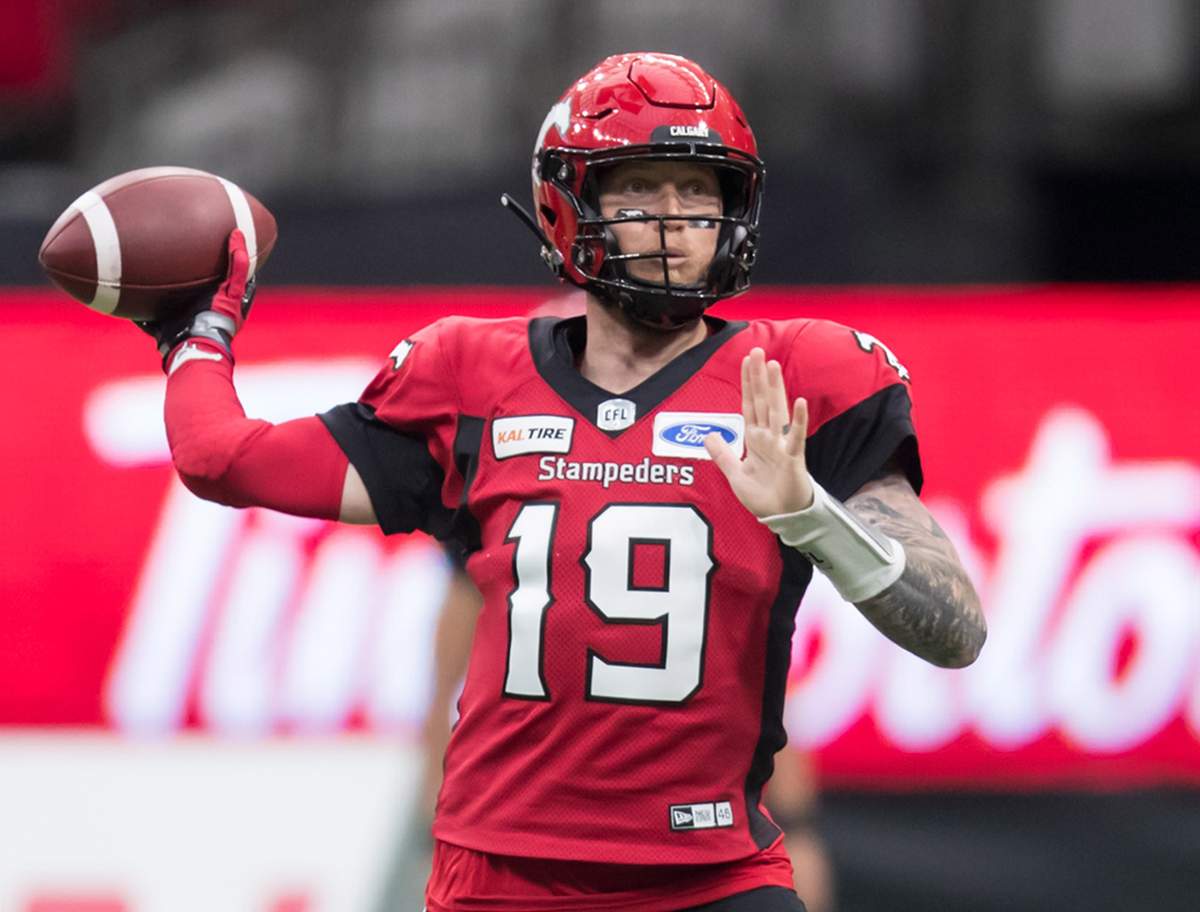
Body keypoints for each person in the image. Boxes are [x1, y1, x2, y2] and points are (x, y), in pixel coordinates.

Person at [145, 52, 986, 912]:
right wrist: (197, 332)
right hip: (502, 880)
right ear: (568, 205)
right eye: (642, 191)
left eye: (699, 193)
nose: (675, 221)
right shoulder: (469, 375)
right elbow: (224, 458)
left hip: (710, 878)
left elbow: (955, 630)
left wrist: (810, 514)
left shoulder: (795, 376)